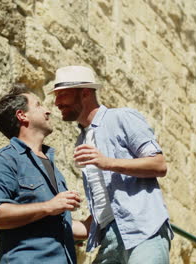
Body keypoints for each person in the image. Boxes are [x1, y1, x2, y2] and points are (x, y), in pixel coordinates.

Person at [52, 66, 173, 264]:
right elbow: (106, 205)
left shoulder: (121, 117)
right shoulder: (81, 141)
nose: (57, 103)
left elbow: (159, 164)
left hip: (144, 231)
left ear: (85, 93)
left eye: (62, 95)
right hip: (109, 240)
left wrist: (108, 162)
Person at [0, 83, 88, 264]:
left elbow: (60, 225)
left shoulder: (52, 168)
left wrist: (101, 218)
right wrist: (49, 206)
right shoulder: (5, 160)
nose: (48, 111)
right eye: (38, 105)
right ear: (22, 115)